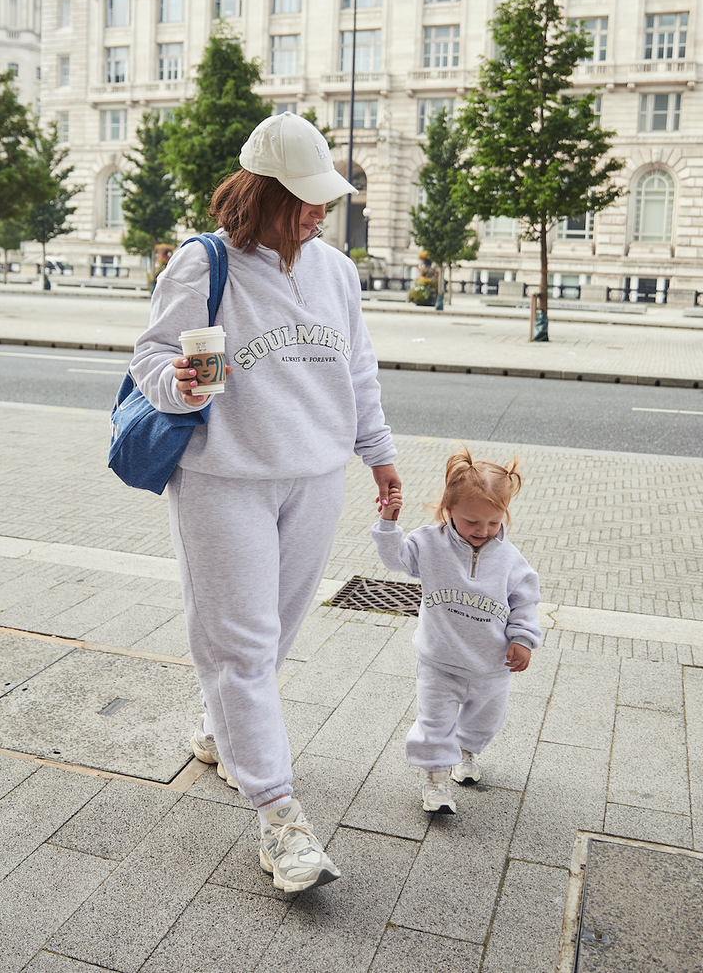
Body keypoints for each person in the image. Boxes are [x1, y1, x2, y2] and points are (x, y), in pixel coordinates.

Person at [130, 111, 400, 891]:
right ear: (265, 193)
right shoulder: (203, 262)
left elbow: (357, 373)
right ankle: (280, 819)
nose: (321, 213)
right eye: (307, 200)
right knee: (240, 645)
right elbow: (152, 357)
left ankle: (220, 730)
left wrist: (377, 455)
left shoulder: (336, 272)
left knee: (274, 634)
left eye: (325, 199)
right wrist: (176, 387)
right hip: (224, 479)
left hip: (315, 477)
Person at [370, 447, 541, 815]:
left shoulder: (511, 560)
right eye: (471, 522)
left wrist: (523, 639)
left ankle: (467, 751)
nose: (483, 531)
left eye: (493, 523)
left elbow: (525, 601)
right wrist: (388, 523)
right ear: (448, 510)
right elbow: (395, 558)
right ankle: (435, 782)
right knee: (434, 724)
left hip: (490, 667)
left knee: (485, 722)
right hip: (439, 662)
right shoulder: (429, 543)